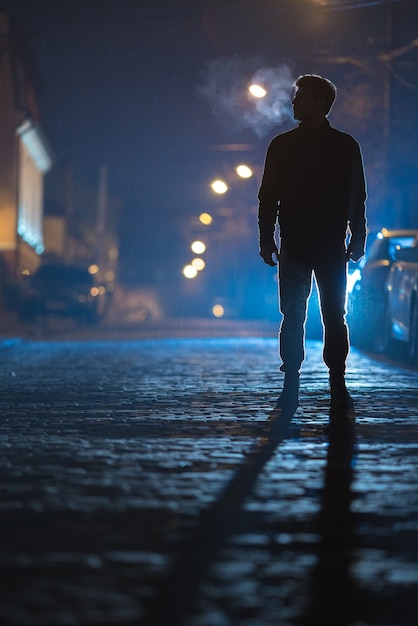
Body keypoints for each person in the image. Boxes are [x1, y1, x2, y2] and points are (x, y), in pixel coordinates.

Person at [258, 74, 367, 415]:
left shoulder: (343, 145)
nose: (294, 102)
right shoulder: (284, 145)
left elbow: (356, 197)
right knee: (298, 314)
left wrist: (358, 237)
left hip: (326, 244)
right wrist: (266, 238)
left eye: (301, 97)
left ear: (318, 102)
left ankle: (335, 380)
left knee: (331, 315)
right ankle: (295, 378)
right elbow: (268, 198)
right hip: (301, 243)